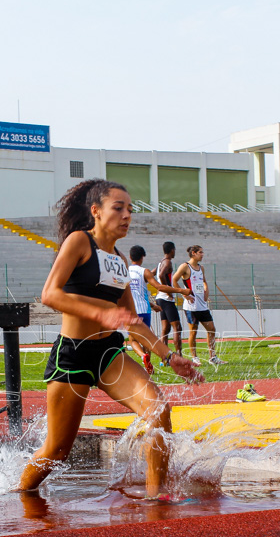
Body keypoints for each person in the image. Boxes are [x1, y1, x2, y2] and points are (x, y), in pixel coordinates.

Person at [17, 179, 203, 499]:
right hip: (72, 356)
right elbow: (50, 294)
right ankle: (18, 494)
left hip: (108, 354)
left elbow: (132, 324)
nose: (127, 215)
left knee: (158, 411)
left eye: (130, 209)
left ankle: (155, 499)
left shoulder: (118, 260)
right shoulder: (78, 242)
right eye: (118, 208)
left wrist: (169, 356)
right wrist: (101, 314)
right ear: (96, 212)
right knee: (57, 450)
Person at [127, 245, 194, 374]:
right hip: (144, 310)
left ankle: (142, 356)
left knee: (133, 339)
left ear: (130, 257)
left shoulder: (124, 271)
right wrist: (180, 290)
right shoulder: (144, 271)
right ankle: (149, 367)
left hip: (131, 310)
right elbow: (159, 287)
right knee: (146, 338)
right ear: (142, 257)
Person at [173, 245, 226, 365]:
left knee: (211, 329)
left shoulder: (201, 268)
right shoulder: (185, 267)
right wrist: (184, 294)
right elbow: (174, 280)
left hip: (202, 305)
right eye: (200, 252)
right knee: (193, 331)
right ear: (193, 253)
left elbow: (204, 282)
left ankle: (213, 357)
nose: (202, 255)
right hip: (191, 306)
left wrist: (206, 291)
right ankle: (194, 357)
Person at [154, 241, 185, 355]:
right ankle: (179, 354)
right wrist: (168, 290)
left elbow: (154, 274)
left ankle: (164, 356)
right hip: (166, 299)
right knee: (177, 327)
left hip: (159, 298)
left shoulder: (160, 263)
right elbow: (161, 275)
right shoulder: (168, 263)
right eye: (174, 250)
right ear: (172, 250)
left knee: (165, 329)